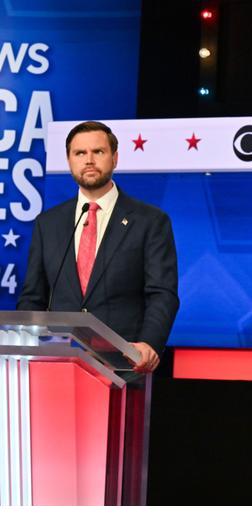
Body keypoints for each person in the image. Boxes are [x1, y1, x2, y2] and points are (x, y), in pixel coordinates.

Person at [17, 120, 179, 373]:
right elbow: (33, 297)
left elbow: (162, 293)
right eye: (80, 153)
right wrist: (26, 341)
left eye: (98, 152)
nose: (89, 160)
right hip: (56, 365)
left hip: (124, 365)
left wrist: (148, 344)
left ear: (114, 158)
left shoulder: (150, 221)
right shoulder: (48, 224)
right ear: (69, 161)